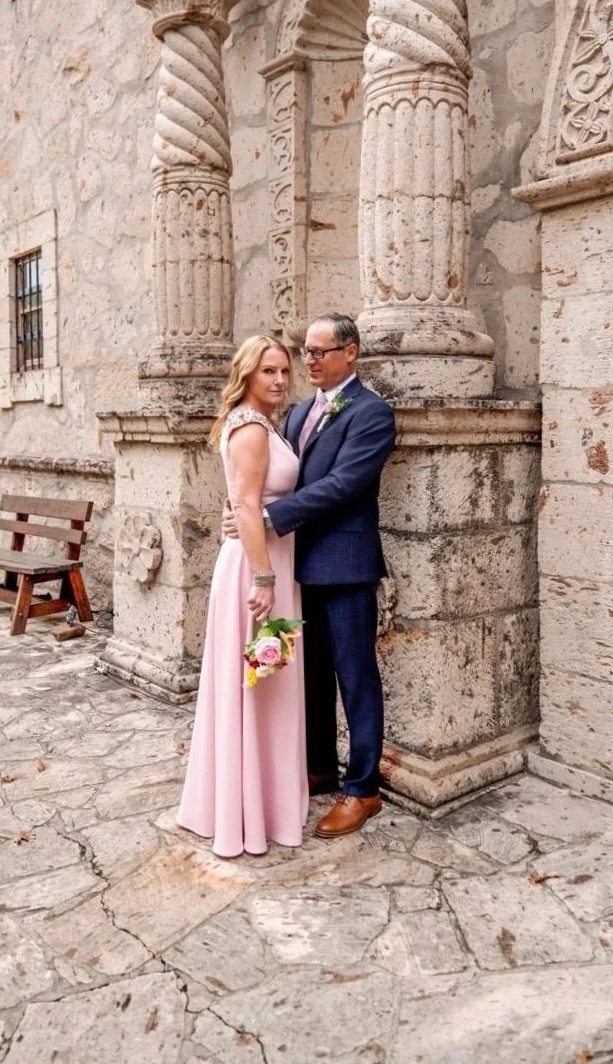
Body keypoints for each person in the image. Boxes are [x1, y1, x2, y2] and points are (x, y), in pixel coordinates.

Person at [224, 312, 395, 838]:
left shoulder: (372, 413)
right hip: (294, 567)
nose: (311, 361)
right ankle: (319, 766)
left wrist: (270, 517)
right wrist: (245, 513)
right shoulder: (295, 413)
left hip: (343, 568)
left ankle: (363, 789)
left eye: (321, 351)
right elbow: (262, 476)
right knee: (310, 676)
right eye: (307, 352)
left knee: (355, 676)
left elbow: (344, 484)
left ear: (352, 353)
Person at [177, 336, 308, 858]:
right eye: (267, 371)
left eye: (283, 371)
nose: (278, 380)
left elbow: (240, 502)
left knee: (267, 684)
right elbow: (249, 507)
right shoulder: (252, 428)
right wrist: (264, 578)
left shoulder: (258, 423)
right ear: (247, 374)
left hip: (266, 561)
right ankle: (250, 814)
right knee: (262, 683)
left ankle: (260, 804)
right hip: (258, 571)